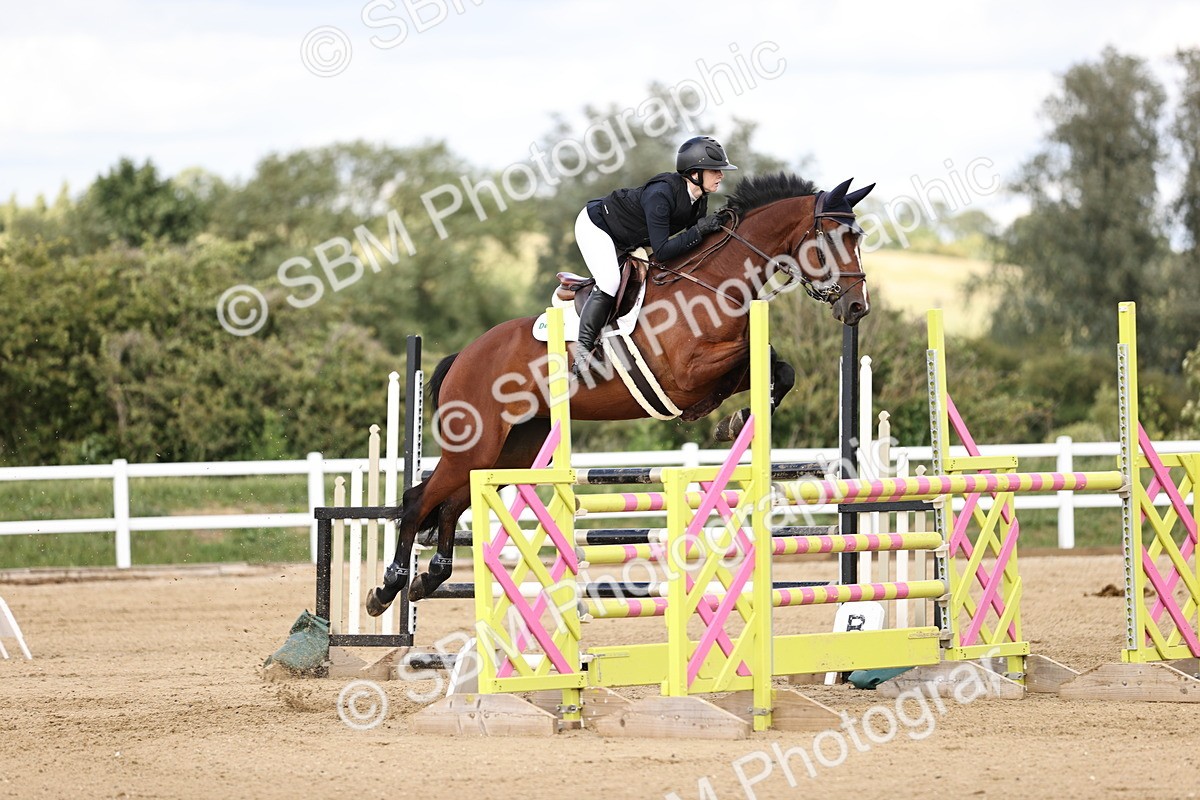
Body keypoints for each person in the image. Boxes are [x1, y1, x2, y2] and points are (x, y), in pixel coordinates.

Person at [571, 135, 737, 377]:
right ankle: (582, 356)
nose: (721, 175)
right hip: (597, 227)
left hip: (632, 238)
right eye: (715, 170)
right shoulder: (661, 195)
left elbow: (695, 245)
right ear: (695, 173)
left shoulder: (698, 200)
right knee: (609, 282)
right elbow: (663, 250)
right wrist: (700, 230)